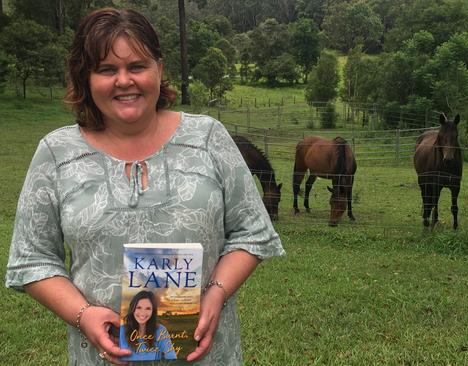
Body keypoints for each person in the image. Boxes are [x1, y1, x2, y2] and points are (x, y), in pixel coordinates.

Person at [5, 7, 284, 366]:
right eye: (107, 69)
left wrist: (216, 293)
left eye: (136, 66)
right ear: (86, 78)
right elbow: (32, 259)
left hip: (206, 356)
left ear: (159, 69)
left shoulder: (208, 138)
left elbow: (253, 232)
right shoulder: (57, 153)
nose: (124, 80)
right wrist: (83, 314)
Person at [119, 290, 177, 360]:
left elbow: (171, 357)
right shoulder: (121, 330)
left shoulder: (160, 330)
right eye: (139, 307)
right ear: (133, 308)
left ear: (153, 311)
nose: (143, 313)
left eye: (148, 308)